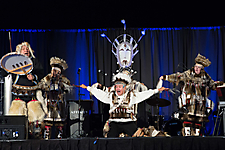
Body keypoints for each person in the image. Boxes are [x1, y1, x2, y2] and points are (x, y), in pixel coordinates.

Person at [80, 70, 167, 137]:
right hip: (115, 123)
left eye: (120, 86)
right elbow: (100, 94)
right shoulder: (111, 96)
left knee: (137, 139)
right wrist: (88, 88)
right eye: (116, 86)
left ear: (125, 88)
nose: (118, 88)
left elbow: (143, 95)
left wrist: (156, 90)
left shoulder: (131, 96)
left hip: (128, 123)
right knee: (110, 140)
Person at [159, 54, 223, 136]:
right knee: (187, 126)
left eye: (199, 67)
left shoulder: (205, 77)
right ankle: (187, 139)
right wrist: (165, 77)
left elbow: (212, 85)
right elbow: (177, 77)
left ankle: (196, 140)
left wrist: (221, 84)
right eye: (196, 66)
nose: (196, 68)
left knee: (197, 127)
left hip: (200, 105)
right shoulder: (188, 74)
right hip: (189, 105)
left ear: (202, 69)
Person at [1, 41, 45, 138]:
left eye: (27, 49)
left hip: (32, 95)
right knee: (17, 118)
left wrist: (33, 77)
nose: (26, 50)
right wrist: (8, 64)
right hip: (18, 95)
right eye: (23, 49)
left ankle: (35, 137)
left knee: (35, 119)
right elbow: (4, 73)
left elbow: (41, 74)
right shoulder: (15, 63)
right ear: (19, 51)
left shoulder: (34, 62)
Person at [38, 56, 73, 139]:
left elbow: (69, 89)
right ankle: (46, 137)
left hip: (59, 103)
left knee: (60, 121)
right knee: (47, 121)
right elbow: (40, 85)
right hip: (49, 102)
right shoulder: (47, 78)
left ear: (59, 72)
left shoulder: (63, 79)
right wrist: (47, 85)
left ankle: (59, 136)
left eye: (56, 71)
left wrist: (61, 85)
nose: (54, 73)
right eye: (53, 70)